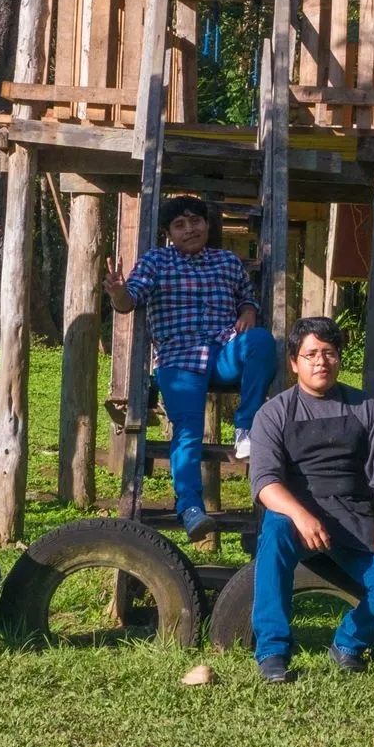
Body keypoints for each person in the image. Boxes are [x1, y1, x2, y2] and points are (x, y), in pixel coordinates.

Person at [246, 316, 374, 682]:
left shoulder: (367, 408)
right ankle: (273, 652)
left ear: (339, 358)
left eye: (329, 353)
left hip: (355, 518)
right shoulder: (273, 414)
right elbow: (264, 482)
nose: (321, 361)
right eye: (310, 354)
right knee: (274, 532)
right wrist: (301, 516)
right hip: (296, 518)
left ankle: (348, 644)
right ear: (294, 363)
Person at [105, 194, 279, 542]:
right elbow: (129, 301)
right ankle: (190, 507)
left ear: (207, 224)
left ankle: (245, 428)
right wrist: (118, 292)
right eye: (180, 225)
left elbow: (247, 296)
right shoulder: (156, 261)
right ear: (169, 233)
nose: (190, 229)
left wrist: (248, 311)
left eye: (195, 221)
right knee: (188, 430)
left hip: (224, 352)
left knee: (261, 341)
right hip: (179, 360)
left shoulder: (226, 261)